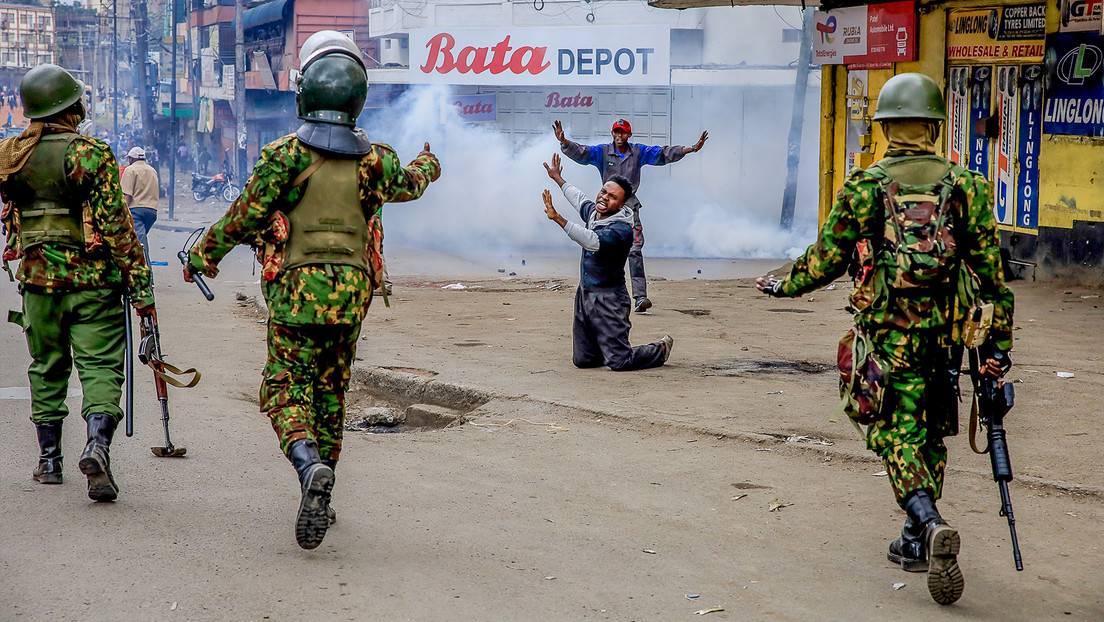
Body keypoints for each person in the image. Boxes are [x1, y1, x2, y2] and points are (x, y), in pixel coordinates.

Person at [755, 73, 1014, 606]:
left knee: (890, 429)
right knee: (931, 428)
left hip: (885, 337)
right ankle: (916, 540)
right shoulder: (968, 185)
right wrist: (998, 350)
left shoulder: (864, 185)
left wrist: (783, 284)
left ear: (887, 126)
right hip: (947, 336)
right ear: (935, 126)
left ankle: (928, 519)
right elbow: (993, 276)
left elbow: (826, 261)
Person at [183, 31, 440, 550]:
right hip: (351, 298)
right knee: (331, 395)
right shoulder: (376, 160)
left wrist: (202, 256)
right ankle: (327, 488)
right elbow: (413, 181)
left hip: (297, 294)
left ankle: (308, 471)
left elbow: (243, 217)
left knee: (284, 389)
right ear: (357, 99)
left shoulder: (283, 156)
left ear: (307, 95)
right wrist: (429, 164)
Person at [0, 64, 156, 501]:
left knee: (46, 368)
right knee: (102, 369)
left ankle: (49, 462)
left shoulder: (11, 155)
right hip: (94, 285)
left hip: (36, 285)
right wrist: (142, 289)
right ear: (71, 106)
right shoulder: (90, 153)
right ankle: (96, 446)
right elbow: (118, 228)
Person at [554, 118, 708, 313]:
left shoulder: (637, 152)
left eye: (623, 133)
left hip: (629, 209)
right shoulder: (602, 152)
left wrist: (691, 149)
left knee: (634, 250)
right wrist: (565, 142)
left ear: (629, 135)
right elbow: (583, 153)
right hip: (606, 210)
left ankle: (640, 297)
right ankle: (600, 293)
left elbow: (662, 154)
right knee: (598, 247)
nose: (619, 136)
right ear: (613, 134)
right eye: (616, 132)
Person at [543, 153, 672, 371]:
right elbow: (580, 199)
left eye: (612, 197)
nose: (604, 198)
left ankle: (659, 350)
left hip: (609, 297)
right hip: (585, 293)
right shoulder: (596, 213)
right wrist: (558, 179)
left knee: (620, 361)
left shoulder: (622, 230)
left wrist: (559, 219)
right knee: (583, 361)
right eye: (603, 191)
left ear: (621, 204)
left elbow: (591, 241)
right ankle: (607, 348)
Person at [120, 146, 159, 259]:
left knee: (140, 245)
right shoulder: (152, 170)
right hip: (152, 211)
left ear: (131, 159)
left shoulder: (130, 170)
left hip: (136, 211)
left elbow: (127, 195)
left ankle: (147, 273)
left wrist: (123, 214)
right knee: (137, 240)